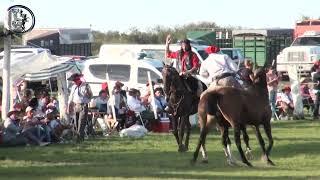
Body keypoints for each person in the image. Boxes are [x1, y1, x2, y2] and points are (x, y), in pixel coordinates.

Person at [67, 73, 93, 142]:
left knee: (81, 123)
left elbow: (90, 97)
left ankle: (80, 139)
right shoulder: (73, 87)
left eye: (75, 80)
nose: (74, 82)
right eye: (74, 81)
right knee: (76, 122)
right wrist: (69, 106)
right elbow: (71, 97)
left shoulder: (86, 86)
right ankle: (78, 137)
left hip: (83, 105)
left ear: (79, 79)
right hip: (76, 105)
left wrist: (87, 92)